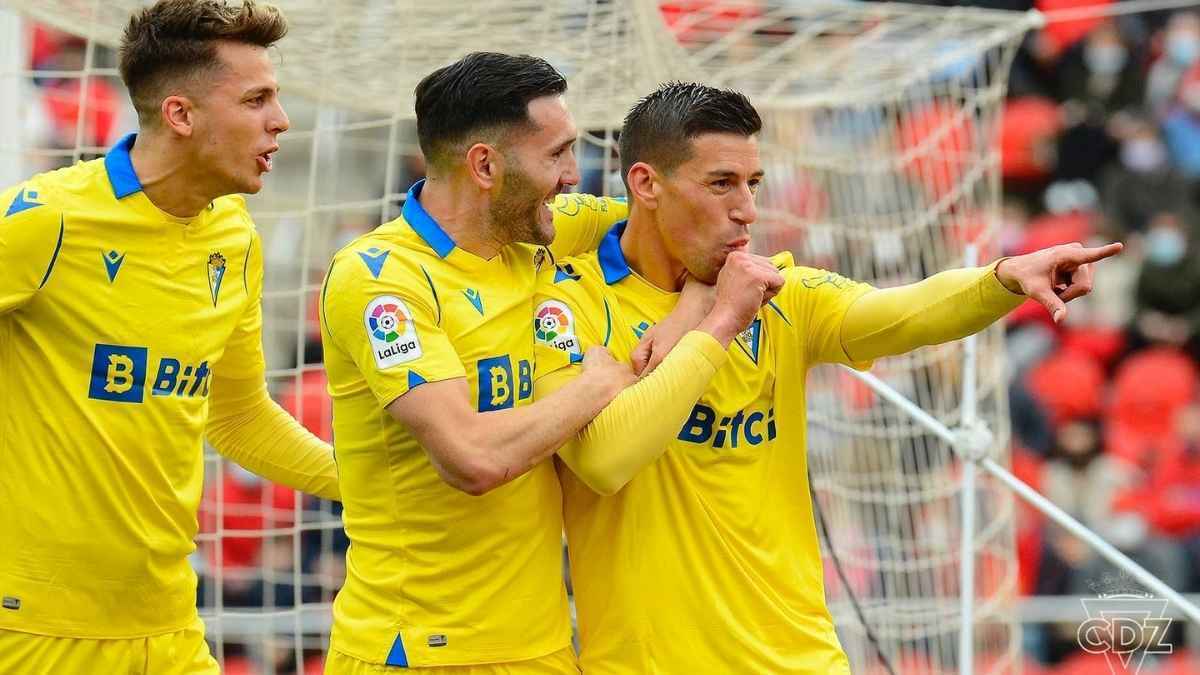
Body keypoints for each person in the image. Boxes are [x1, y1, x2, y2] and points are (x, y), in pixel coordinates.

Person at [531, 82, 1123, 673]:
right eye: (721, 184)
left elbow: (903, 312)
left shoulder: (783, 294)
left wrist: (1002, 279)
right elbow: (604, 461)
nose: (748, 209)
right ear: (645, 184)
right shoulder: (567, 304)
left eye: (753, 183)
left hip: (801, 660)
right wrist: (719, 323)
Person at [317, 52, 778, 674]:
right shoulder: (381, 278)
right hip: (420, 651)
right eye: (557, 154)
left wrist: (696, 299)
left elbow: (680, 226)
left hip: (544, 648)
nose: (573, 176)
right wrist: (597, 387)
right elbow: (472, 459)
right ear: (486, 166)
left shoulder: (540, 233)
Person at [0, 2, 340, 673]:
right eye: (256, 100)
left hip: (169, 623)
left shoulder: (234, 238)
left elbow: (239, 417)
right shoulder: (48, 220)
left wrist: (366, 482)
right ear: (181, 115)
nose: (281, 120)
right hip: (37, 628)